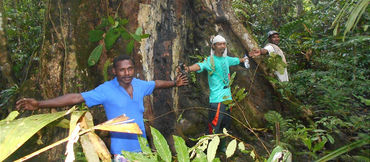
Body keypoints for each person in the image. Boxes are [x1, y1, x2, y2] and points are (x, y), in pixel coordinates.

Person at [16, 55, 188, 156]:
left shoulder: (139, 84)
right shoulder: (106, 90)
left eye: (129, 69)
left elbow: (156, 83)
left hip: (143, 148)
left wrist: (175, 83)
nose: (126, 73)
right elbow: (76, 97)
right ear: (114, 71)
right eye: (122, 70)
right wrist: (39, 104)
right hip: (122, 152)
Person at [183, 35, 250, 134]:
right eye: (219, 44)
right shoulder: (210, 60)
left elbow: (238, 60)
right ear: (213, 46)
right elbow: (199, 65)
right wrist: (188, 69)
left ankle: (222, 148)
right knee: (213, 127)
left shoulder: (226, 59)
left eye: (224, 44)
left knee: (225, 128)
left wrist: (246, 58)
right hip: (217, 100)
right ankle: (209, 148)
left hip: (228, 100)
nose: (222, 46)